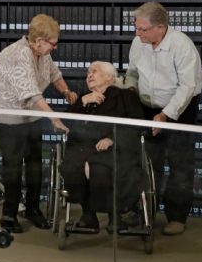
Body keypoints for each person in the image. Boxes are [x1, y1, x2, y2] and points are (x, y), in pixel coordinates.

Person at [0, 14, 78, 233]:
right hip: (8, 117)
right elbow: (31, 94)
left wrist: (66, 91)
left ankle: (33, 209)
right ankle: (8, 215)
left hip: (31, 116)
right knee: (13, 165)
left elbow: (54, 74)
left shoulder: (42, 53)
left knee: (35, 164)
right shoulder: (18, 55)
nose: (55, 48)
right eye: (53, 44)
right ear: (39, 41)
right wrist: (54, 118)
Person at [124, 2, 202, 236]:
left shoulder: (182, 46)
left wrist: (165, 115)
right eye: (136, 28)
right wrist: (129, 92)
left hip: (180, 109)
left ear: (160, 27)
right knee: (147, 163)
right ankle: (143, 212)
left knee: (180, 164)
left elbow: (187, 87)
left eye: (143, 29)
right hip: (148, 108)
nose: (137, 33)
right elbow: (132, 73)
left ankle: (177, 217)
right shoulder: (139, 43)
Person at [61, 61, 145, 232]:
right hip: (83, 149)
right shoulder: (84, 98)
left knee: (100, 168)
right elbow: (65, 123)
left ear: (109, 77)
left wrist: (113, 139)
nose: (89, 75)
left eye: (94, 72)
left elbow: (137, 125)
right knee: (71, 167)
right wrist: (83, 101)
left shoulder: (125, 97)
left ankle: (115, 215)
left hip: (114, 149)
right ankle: (88, 214)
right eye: (88, 73)